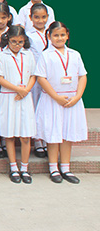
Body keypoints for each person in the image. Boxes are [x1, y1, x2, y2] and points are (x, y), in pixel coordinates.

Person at [35, 21, 87, 184]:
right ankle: (53, 168)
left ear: (67, 36)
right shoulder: (45, 55)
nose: (59, 38)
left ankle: (65, 168)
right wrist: (56, 97)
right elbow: (41, 78)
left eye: (62, 35)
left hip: (71, 100)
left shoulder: (75, 54)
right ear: (49, 36)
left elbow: (82, 76)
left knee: (67, 134)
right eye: (56, 35)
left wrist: (77, 96)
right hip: (53, 100)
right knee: (53, 134)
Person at [0, 25, 36, 184]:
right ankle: (13, 167)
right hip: (9, 97)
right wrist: (18, 89)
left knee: (25, 135)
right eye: (13, 41)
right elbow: (0, 79)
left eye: (20, 42)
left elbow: (33, 75)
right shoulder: (2, 56)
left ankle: (24, 168)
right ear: (8, 40)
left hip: (25, 97)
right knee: (10, 134)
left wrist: (25, 90)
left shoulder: (29, 55)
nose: (17, 45)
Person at [26, 3, 50, 157]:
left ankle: (47, 139)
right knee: (35, 106)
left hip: (49, 76)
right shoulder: (28, 35)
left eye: (43, 17)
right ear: (31, 18)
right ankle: (37, 141)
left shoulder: (51, 33)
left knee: (47, 108)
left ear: (48, 17)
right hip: (35, 77)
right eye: (37, 17)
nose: (40, 20)